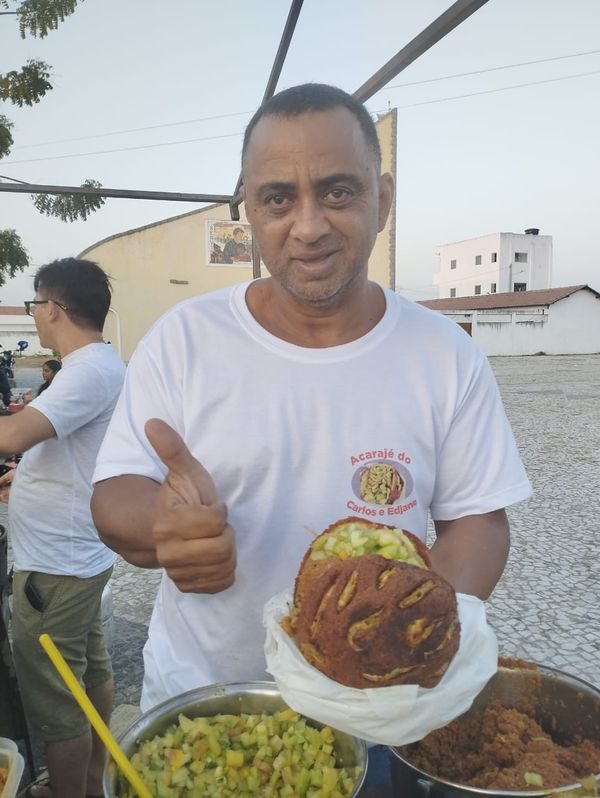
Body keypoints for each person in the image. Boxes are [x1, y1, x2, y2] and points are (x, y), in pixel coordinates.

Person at [91, 84, 531, 717]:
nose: (309, 225)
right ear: (248, 213)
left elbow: (477, 520)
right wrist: (163, 525)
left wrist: (411, 636)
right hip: (208, 699)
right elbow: (114, 492)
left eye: (337, 191)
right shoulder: (184, 338)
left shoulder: (444, 352)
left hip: (378, 708)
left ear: (382, 199)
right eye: (278, 199)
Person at [0, 258, 125, 798]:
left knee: (54, 697)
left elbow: (14, 436)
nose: (33, 316)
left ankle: (71, 790)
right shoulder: (96, 367)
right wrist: (23, 481)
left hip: (55, 566)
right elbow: (68, 454)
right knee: (89, 669)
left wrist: (17, 460)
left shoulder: (86, 370)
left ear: (53, 308)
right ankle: (91, 783)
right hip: (75, 556)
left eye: (33, 305)